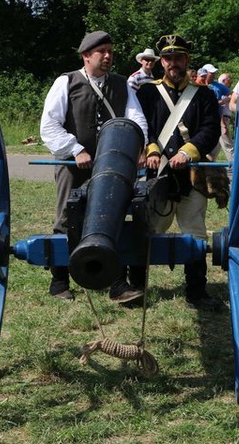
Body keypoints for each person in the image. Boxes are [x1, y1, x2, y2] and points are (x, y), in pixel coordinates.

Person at [39, 30, 149, 303]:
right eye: (102, 52)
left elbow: (137, 120)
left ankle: (117, 284)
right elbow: (49, 126)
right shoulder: (67, 82)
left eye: (110, 51)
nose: (108, 56)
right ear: (86, 56)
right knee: (67, 217)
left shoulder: (122, 84)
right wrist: (75, 149)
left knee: (113, 219)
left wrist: (138, 146)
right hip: (73, 165)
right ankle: (60, 281)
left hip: (114, 166)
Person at [136, 34, 222, 311]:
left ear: (187, 60)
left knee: (195, 233)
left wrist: (188, 151)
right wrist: (151, 150)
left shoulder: (204, 94)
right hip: (157, 175)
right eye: (168, 58)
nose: (173, 63)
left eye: (179, 57)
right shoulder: (147, 92)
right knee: (147, 230)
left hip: (192, 176)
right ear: (161, 61)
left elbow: (210, 129)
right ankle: (136, 287)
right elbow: (142, 126)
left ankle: (196, 292)